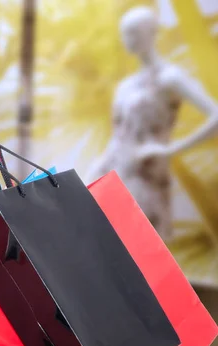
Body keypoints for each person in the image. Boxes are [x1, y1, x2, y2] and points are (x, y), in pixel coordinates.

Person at [86, 6, 218, 240]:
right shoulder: (126, 85)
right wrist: (96, 170)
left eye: (134, 32)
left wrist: (171, 149)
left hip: (146, 178)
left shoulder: (170, 77)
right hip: (115, 169)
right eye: (126, 33)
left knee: (142, 253)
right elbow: (119, 134)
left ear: (151, 33)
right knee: (105, 246)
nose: (129, 40)